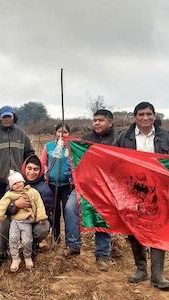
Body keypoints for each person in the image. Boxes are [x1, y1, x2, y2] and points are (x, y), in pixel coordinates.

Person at [114, 102, 169, 289]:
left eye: (149, 114)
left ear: (154, 116)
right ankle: (141, 269)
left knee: (159, 229)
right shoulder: (124, 137)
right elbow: (112, 161)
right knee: (135, 230)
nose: (145, 118)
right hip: (133, 191)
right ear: (135, 117)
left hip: (160, 190)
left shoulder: (166, 136)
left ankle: (158, 275)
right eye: (141, 114)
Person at [62, 109, 115, 271]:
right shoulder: (85, 139)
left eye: (101, 120)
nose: (97, 123)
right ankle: (74, 245)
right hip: (83, 185)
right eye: (95, 120)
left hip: (106, 188)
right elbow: (74, 159)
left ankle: (102, 255)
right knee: (70, 208)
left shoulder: (116, 140)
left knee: (102, 217)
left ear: (110, 122)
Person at [0, 106, 35, 256]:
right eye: (4, 117)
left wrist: (24, 172)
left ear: (13, 117)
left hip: (18, 182)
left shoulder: (22, 135)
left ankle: (19, 243)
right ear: (0, 118)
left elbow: (30, 154)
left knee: (19, 209)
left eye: (9, 116)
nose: (7, 119)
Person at [0, 154, 52, 270]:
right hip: (14, 218)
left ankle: (30, 247)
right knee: (4, 224)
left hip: (32, 220)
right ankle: (1, 253)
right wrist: (15, 206)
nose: (32, 172)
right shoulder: (14, 183)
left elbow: (46, 211)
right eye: (29, 168)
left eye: (36, 169)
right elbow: (4, 206)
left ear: (40, 171)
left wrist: (36, 218)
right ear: (24, 168)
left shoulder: (44, 189)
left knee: (43, 228)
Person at [40, 123, 71, 244]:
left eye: (65, 132)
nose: (62, 134)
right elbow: (43, 164)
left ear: (69, 134)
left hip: (68, 185)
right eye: (59, 131)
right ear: (55, 133)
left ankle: (70, 240)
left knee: (68, 212)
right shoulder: (49, 146)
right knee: (55, 211)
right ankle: (56, 238)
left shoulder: (71, 147)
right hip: (52, 185)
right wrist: (46, 173)